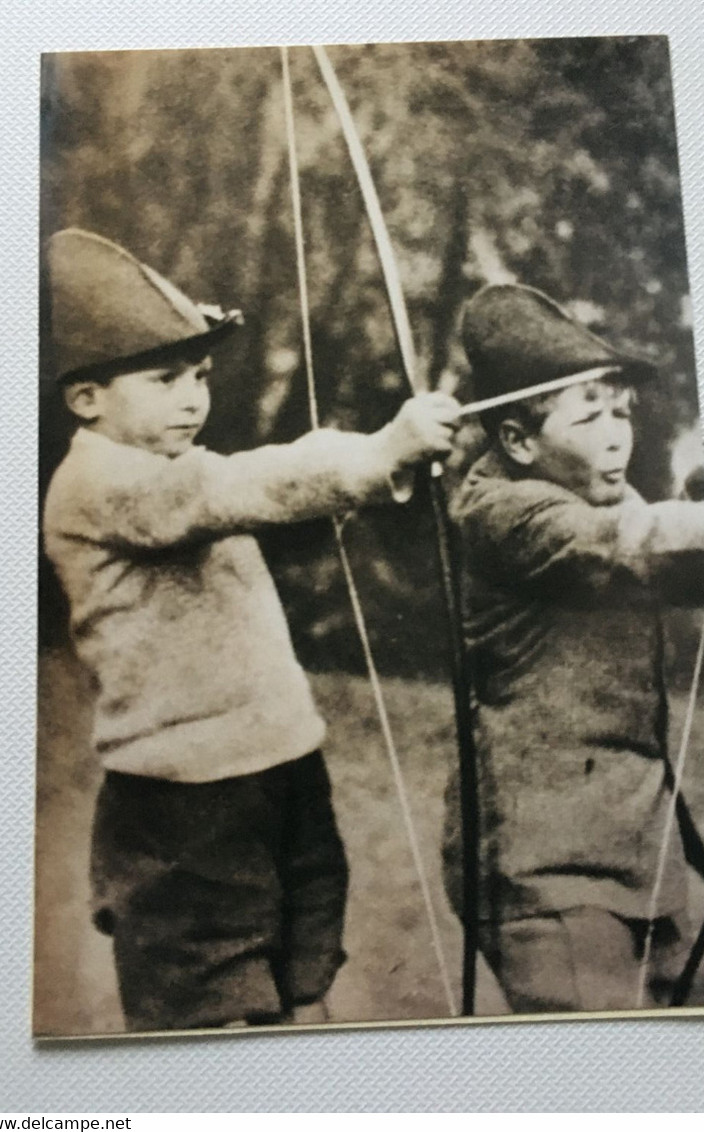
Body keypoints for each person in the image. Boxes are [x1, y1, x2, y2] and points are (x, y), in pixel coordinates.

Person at [42, 228, 460, 1031]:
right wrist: (377, 451)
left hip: (280, 763)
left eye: (199, 376)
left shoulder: (171, 476)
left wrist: (388, 469)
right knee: (206, 996)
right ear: (87, 399)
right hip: (185, 800)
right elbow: (231, 489)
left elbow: (263, 505)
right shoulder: (98, 483)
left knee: (300, 970)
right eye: (165, 379)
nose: (194, 398)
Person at [444, 283, 704, 1013]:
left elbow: (679, 549)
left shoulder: (606, 497)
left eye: (621, 412)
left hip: (637, 854)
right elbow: (632, 549)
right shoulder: (505, 513)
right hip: (543, 872)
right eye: (589, 416)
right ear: (516, 440)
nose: (614, 435)